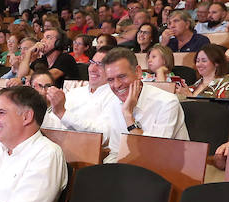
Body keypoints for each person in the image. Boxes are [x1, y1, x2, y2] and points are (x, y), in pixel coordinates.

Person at [51, 48, 187, 163]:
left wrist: (128, 116)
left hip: (168, 171)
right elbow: (116, 152)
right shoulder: (114, 103)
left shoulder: (167, 103)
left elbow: (153, 155)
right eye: (110, 79)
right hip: (129, 170)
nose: (116, 85)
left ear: (138, 72)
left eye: (122, 76)